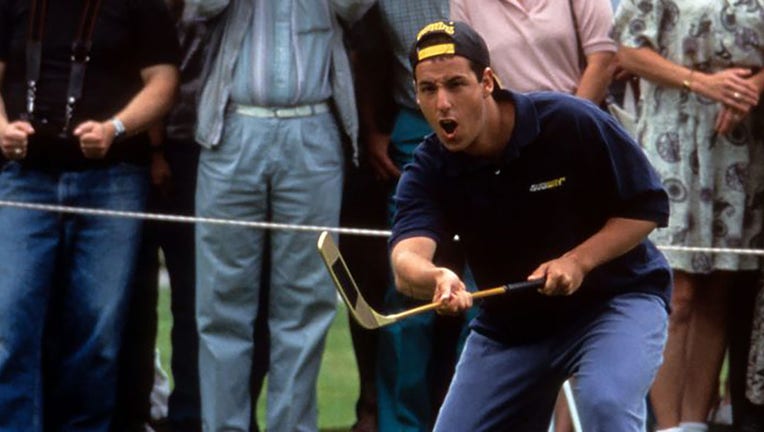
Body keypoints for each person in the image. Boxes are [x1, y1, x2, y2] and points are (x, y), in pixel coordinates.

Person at [390, 20, 672, 431]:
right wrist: (436, 277)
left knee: (605, 405)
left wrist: (577, 261)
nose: (443, 103)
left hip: (615, 302)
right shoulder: (429, 166)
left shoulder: (569, 120)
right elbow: (406, 257)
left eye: (455, 85)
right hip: (510, 328)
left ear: (487, 81)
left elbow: (646, 207)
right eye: (428, 90)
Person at [185, 0, 374, 430]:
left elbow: (355, 8)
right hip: (232, 127)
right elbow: (198, 7)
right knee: (220, 303)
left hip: (312, 126)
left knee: (307, 303)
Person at [0, 0, 179, 430]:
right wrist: (2, 129)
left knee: (97, 334)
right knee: (9, 327)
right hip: (26, 180)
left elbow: (164, 80)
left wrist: (115, 128)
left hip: (113, 180)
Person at [613, 1, 764, 431]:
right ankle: (666, 424)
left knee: (719, 288)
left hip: (741, 144)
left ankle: (695, 423)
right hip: (673, 140)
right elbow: (628, 52)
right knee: (677, 293)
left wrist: (750, 87)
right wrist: (703, 83)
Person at [352, 3, 477, 431]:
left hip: (492, 129)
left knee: (480, 295)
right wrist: (371, 124)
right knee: (410, 296)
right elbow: (366, 51)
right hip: (412, 123)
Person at [450, 0, 615, 105]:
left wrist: (572, 121)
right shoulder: (465, 3)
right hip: (512, 128)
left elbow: (604, 59)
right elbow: (468, 68)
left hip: (582, 117)